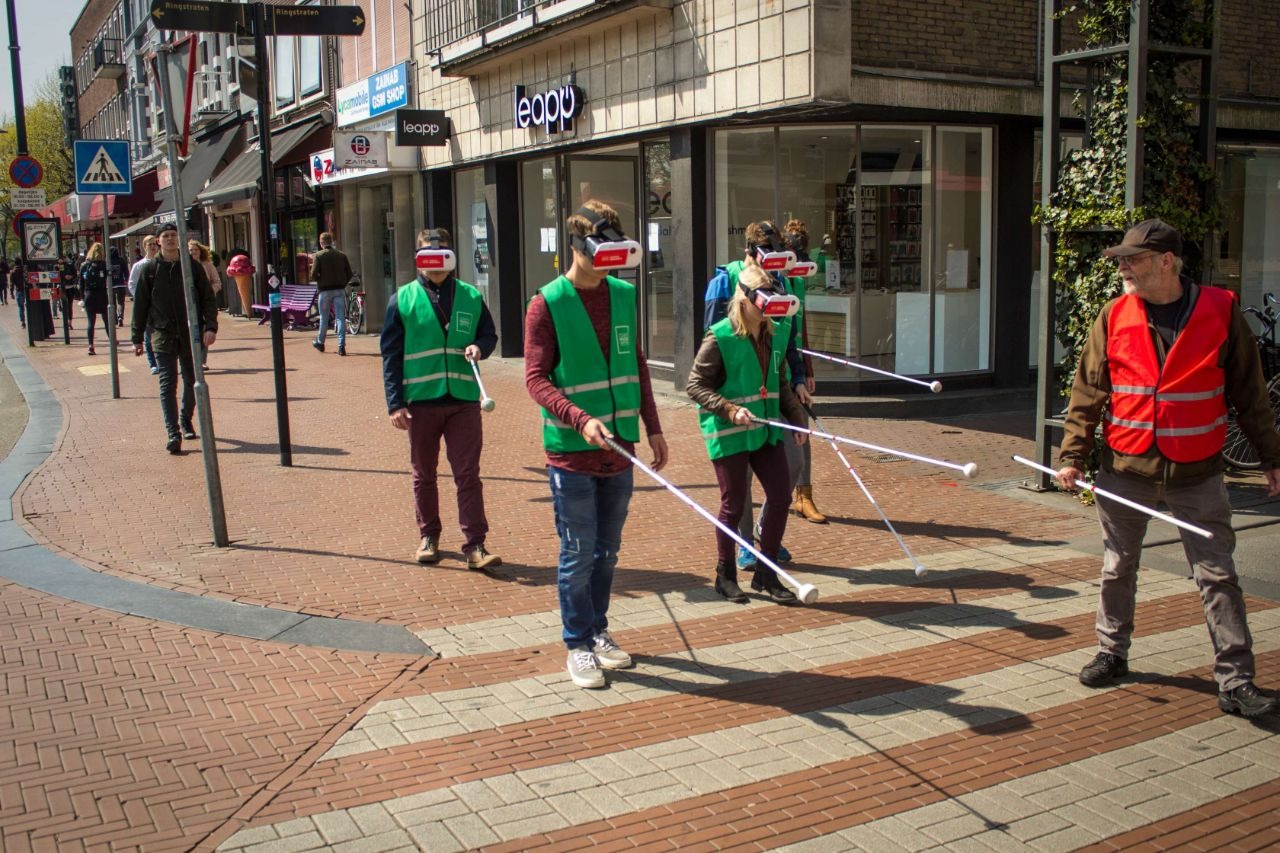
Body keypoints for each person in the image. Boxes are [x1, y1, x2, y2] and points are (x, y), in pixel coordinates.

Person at [1057, 219, 1280, 719]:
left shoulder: (1220, 311)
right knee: (1118, 567)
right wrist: (1072, 455)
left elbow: (1250, 392)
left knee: (1217, 575)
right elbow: (1087, 392)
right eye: (1120, 260)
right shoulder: (1114, 315)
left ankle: (1236, 680)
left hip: (1197, 472)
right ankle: (1112, 652)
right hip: (1125, 466)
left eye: (1132, 259)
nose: (1123, 268)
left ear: (1166, 261)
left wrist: (1271, 456)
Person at [525, 200, 668, 689]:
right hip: (571, 452)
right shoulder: (547, 302)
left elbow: (638, 365)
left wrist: (652, 426)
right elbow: (535, 379)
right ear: (575, 246)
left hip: (621, 449)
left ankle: (599, 629)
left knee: (607, 552)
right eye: (596, 252)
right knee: (578, 551)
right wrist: (578, 417)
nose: (605, 263)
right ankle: (577, 644)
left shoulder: (625, 296)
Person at [380, 228, 502, 570]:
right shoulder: (401, 300)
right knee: (424, 474)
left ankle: (476, 545)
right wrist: (395, 403)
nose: (436, 262)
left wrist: (482, 346)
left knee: (468, 474)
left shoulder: (470, 296)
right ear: (418, 259)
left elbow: (488, 333)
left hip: (463, 400)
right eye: (428, 255)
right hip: (420, 403)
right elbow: (391, 355)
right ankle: (429, 536)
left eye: (442, 254)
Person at [688, 263, 807, 605]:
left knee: (781, 496)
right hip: (729, 430)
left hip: (765, 428)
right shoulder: (720, 335)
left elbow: (779, 380)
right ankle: (724, 575)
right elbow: (695, 385)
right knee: (734, 504)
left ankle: (766, 575)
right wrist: (728, 409)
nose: (769, 307)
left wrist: (796, 415)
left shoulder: (774, 333)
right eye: (763, 300)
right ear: (745, 300)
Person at [703, 221, 813, 571]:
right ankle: (746, 545)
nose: (773, 264)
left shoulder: (782, 283)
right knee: (741, 481)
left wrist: (796, 378)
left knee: (791, 464)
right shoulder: (724, 281)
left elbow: (787, 340)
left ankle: (769, 533)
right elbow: (711, 340)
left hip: (771, 394)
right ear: (750, 252)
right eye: (767, 255)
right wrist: (725, 403)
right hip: (734, 402)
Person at [130, 223, 218, 454]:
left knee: (192, 379)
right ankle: (173, 432)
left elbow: (207, 297)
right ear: (158, 241)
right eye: (165, 236)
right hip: (162, 333)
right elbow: (140, 305)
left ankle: (185, 419)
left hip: (190, 332)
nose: (170, 239)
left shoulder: (192, 267)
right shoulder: (150, 269)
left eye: (173, 235)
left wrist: (211, 326)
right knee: (167, 384)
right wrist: (137, 337)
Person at [781, 220, 827, 523]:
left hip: (789, 367)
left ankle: (803, 496)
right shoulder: (760, 278)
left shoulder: (796, 279)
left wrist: (805, 369)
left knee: (800, 430)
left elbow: (800, 325)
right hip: (764, 368)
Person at [311, 232, 354, 355]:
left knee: (324, 318)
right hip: (339, 290)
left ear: (321, 242)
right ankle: (341, 346)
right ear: (331, 241)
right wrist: (342, 283)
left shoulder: (319, 255)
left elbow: (313, 275)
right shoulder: (341, 255)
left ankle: (320, 342)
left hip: (324, 291)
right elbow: (349, 273)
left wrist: (320, 279)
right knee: (340, 317)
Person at [188, 240, 222, 369]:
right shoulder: (184, 266)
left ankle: (202, 361)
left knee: (204, 331)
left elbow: (217, 282)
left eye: (195, 250)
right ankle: (191, 360)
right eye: (190, 250)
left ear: (200, 251)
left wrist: (208, 293)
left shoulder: (207, 265)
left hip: (205, 303)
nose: (193, 252)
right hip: (190, 304)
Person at [129, 236, 161, 374]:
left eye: (155, 244)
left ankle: (162, 361)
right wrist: (141, 298)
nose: (153, 247)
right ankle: (153, 363)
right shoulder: (139, 265)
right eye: (150, 244)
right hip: (147, 306)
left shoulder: (162, 262)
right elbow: (132, 284)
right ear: (144, 246)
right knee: (148, 335)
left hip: (161, 305)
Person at [79, 243, 110, 355]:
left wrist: (82, 298)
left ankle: (91, 345)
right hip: (102, 294)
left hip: (89, 295)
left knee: (91, 322)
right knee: (107, 320)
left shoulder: (84, 265)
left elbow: (80, 284)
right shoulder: (104, 265)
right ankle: (112, 341)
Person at [109, 246, 128, 327]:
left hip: (111, 285)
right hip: (120, 284)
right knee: (121, 302)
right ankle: (120, 317)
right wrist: (127, 280)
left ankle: (115, 319)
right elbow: (126, 271)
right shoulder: (121, 260)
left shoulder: (108, 261)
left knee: (112, 303)